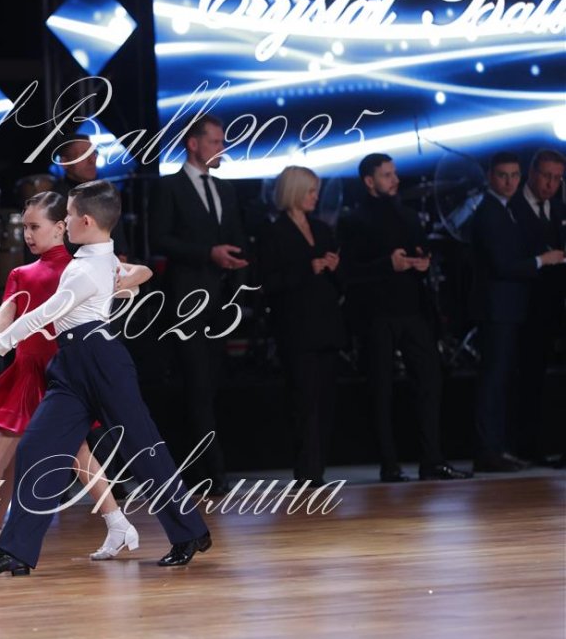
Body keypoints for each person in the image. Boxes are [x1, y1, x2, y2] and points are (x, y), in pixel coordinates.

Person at [0, 180, 212, 577]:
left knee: (142, 448)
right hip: (70, 364)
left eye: (67, 216)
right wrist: (126, 284)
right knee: (36, 448)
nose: (63, 222)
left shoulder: (87, 268)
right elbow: (131, 276)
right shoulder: (96, 259)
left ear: (85, 221)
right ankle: (16, 551)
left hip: (100, 361)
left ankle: (190, 533)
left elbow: (43, 314)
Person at [0, 191, 146, 571]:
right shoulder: (23, 273)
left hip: (59, 371)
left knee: (70, 454)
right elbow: (7, 311)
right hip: (28, 371)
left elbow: (137, 275)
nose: (27, 234)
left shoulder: (80, 267)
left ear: (61, 227)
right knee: (27, 455)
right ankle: (115, 524)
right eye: (24, 227)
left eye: (34, 226)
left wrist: (130, 278)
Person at [338, 153, 471, 482]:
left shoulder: (409, 216)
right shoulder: (354, 220)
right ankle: (389, 464)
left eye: (394, 173)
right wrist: (387, 264)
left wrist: (422, 263)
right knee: (381, 388)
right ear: (369, 181)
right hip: (377, 314)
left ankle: (432, 460)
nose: (395, 179)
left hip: (412, 309)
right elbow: (348, 272)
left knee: (430, 381)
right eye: (386, 175)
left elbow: (420, 252)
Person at [148, 114, 250, 494]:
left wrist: (238, 277)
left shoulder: (226, 189)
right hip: (186, 299)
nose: (222, 149)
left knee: (213, 384)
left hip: (220, 300)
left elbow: (236, 237)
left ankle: (210, 468)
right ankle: (210, 471)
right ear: (193, 144)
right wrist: (208, 253)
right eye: (215, 142)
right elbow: (159, 238)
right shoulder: (170, 187)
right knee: (196, 384)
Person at [470, 152, 563, 471]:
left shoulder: (504, 209)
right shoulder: (490, 211)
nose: (509, 182)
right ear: (490, 177)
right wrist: (541, 260)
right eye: (503, 175)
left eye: (514, 176)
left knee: (501, 380)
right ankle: (489, 450)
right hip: (499, 309)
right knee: (494, 380)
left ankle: (497, 448)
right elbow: (501, 264)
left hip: (513, 308)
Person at [259, 166, 344, 486]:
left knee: (326, 401)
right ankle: (307, 470)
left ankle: (319, 465)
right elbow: (268, 282)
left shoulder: (322, 228)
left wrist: (334, 268)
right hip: (296, 327)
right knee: (304, 400)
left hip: (326, 325)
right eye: (310, 191)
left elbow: (340, 281)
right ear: (294, 192)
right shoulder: (274, 232)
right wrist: (308, 268)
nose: (315, 196)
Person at [508, 149, 566, 465]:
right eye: (546, 176)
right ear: (531, 173)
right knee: (529, 377)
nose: (551, 184)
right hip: (524, 306)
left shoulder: (558, 208)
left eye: (557, 178)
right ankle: (527, 446)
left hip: (554, 305)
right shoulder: (511, 207)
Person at [52, 133, 129, 260]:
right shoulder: (56, 201)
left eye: (93, 154)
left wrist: (121, 257)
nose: (92, 160)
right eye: (84, 155)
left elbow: (119, 240)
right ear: (65, 162)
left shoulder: (105, 192)